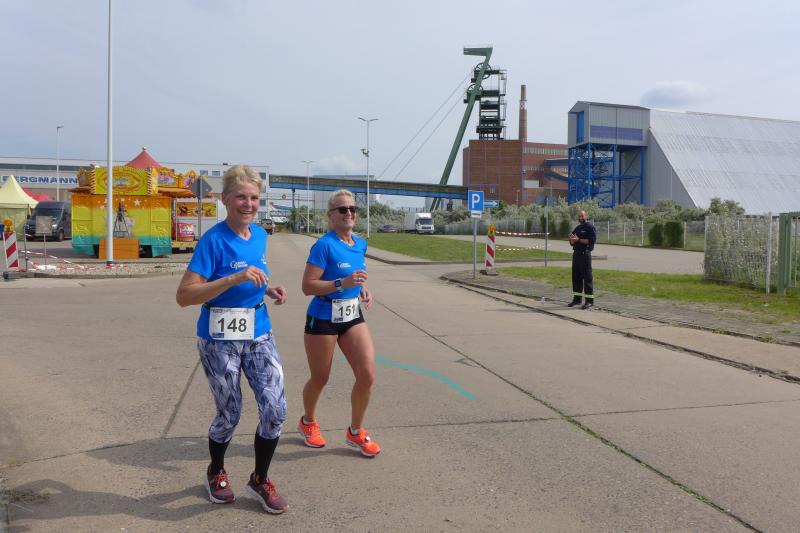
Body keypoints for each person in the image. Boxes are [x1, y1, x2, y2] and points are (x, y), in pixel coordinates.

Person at [176, 165, 289, 514]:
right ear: (225, 199)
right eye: (241, 197)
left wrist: (267, 288)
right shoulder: (213, 240)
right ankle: (216, 471)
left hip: (258, 331)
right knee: (230, 413)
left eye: (254, 198)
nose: (248, 204)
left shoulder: (260, 235)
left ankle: (260, 479)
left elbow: (251, 273)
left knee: (275, 408)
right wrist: (232, 278)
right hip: (219, 337)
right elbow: (184, 296)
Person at [297, 189, 380, 457]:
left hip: (351, 315)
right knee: (320, 378)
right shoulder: (324, 245)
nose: (349, 213)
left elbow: (354, 277)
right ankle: (308, 421)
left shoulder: (360, 244)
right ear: (331, 215)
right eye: (342, 209)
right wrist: (341, 284)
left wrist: (361, 289)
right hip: (322, 317)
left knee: (367, 375)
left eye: (352, 209)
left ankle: (355, 432)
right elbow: (308, 286)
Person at [568, 209, 597, 309]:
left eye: (582, 216)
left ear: (586, 216)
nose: (580, 218)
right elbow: (572, 242)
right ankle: (577, 299)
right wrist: (571, 240)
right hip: (576, 255)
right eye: (579, 216)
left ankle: (589, 301)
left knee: (587, 278)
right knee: (576, 277)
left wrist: (578, 240)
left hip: (585, 255)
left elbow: (592, 241)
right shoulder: (577, 228)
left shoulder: (590, 227)